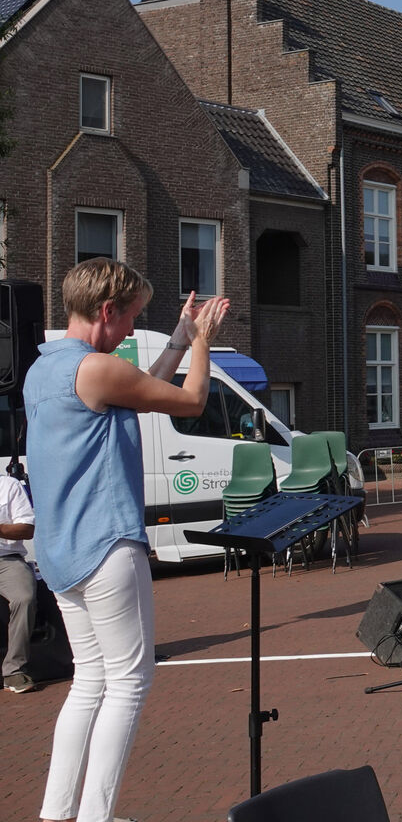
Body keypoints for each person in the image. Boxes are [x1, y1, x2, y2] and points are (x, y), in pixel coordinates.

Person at [24, 258, 228, 822]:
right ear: (107, 312)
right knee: (130, 681)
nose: (132, 329)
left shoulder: (45, 368)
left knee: (89, 680)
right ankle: (95, 816)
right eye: (132, 317)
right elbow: (189, 402)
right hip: (106, 542)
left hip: (62, 549)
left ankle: (58, 813)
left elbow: (142, 388)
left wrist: (181, 339)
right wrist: (204, 342)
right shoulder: (95, 368)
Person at [0, 470, 38, 693]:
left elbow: (27, 528)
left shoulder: (8, 486)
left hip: (6, 559)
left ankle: (14, 670)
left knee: (24, 598)